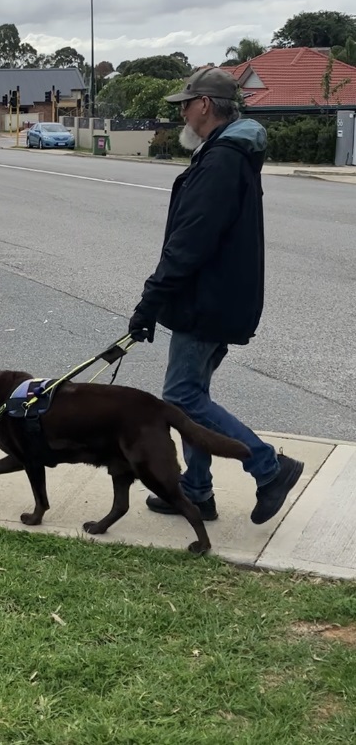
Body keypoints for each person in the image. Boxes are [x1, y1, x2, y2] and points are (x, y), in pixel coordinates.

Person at [128, 67, 303, 525]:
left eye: (184, 104)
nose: (181, 113)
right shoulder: (225, 154)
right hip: (218, 300)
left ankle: (268, 467)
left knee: (181, 397)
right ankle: (196, 490)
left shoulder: (222, 160)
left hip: (208, 302)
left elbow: (190, 242)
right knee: (193, 394)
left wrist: (149, 303)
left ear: (204, 105)